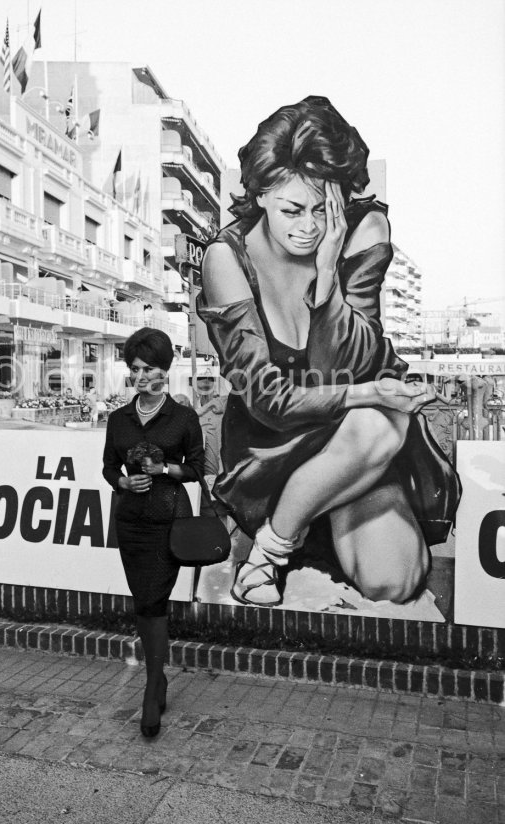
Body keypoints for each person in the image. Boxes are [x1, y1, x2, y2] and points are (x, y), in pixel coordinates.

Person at [197, 96, 461, 608]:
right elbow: (268, 400)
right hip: (273, 444)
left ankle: (293, 527)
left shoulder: (363, 230)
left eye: (324, 209)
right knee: (378, 417)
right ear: (261, 195)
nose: (311, 226)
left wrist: (326, 276)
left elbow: (346, 361)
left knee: (395, 581)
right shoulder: (226, 259)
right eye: (292, 209)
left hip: (361, 451)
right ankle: (270, 554)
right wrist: (368, 392)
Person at [102, 328, 204, 737]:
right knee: (143, 603)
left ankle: (150, 687)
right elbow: (110, 466)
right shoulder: (119, 419)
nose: (141, 376)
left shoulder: (183, 418)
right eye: (135, 369)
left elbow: (196, 470)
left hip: (167, 521)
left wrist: (163, 470)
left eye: (149, 369)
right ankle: (158, 678)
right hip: (131, 523)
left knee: (154, 599)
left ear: (166, 370)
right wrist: (123, 483)